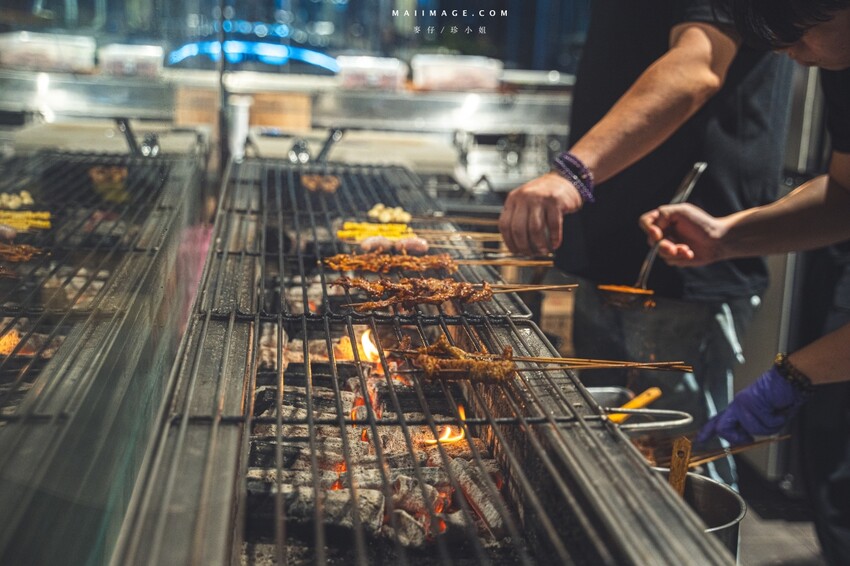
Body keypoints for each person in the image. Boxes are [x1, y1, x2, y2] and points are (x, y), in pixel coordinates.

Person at [498, 0, 793, 487]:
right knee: (611, 467)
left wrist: (573, 172)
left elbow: (697, 67)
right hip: (609, 246)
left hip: (680, 259)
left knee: (680, 479)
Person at [639, 2, 850, 562]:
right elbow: (847, 194)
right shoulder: (840, 63)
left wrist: (795, 375)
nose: (791, 55)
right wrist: (728, 236)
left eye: (804, 36)